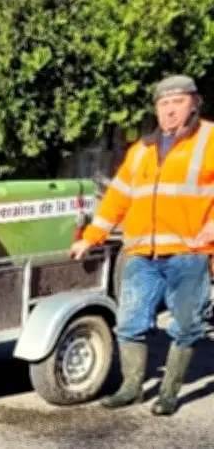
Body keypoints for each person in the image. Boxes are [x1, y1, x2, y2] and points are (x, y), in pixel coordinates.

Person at [70, 74, 214, 416]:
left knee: (186, 325)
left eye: (177, 102)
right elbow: (117, 199)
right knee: (130, 321)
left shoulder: (210, 139)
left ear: (194, 103)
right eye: (163, 104)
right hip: (141, 254)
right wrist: (90, 237)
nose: (169, 111)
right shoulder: (142, 149)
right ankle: (131, 387)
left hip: (189, 253)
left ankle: (168, 393)